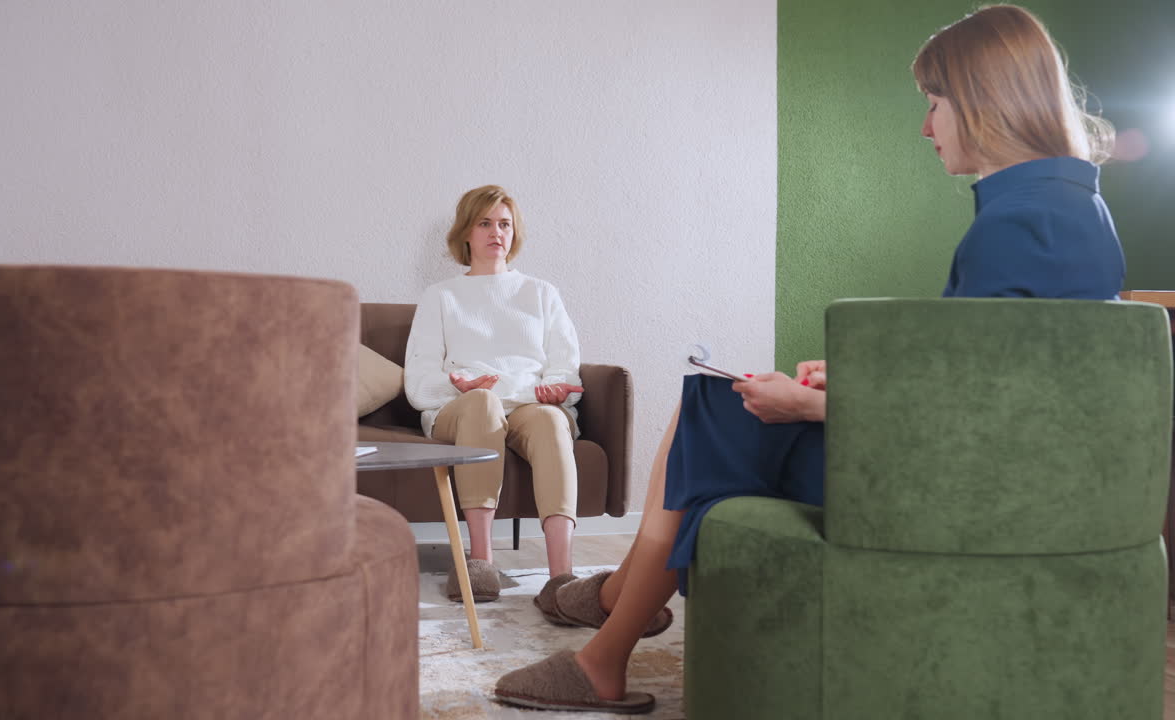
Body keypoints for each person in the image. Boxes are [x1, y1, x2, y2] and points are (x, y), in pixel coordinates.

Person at [494, 5, 1124, 714]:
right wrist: (852, 382)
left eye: (934, 103)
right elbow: (996, 383)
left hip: (945, 492)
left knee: (711, 409)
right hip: (997, 477)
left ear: (983, 101)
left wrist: (815, 407)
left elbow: (966, 419)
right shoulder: (1075, 210)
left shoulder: (1014, 225)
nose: (926, 128)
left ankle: (609, 635)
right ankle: (616, 608)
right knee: (716, 407)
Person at [404, 184, 587, 603]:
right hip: (461, 407)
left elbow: (565, 365)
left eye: (504, 224)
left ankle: (562, 579)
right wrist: (456, 386)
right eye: (485, 223)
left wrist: (556, 392)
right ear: (466, 233)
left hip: (528, 404)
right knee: (483, 403)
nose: (496, 233)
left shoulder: (541, 293)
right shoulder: (440, 297)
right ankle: (481, 563)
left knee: (550, 419)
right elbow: (418, 383)